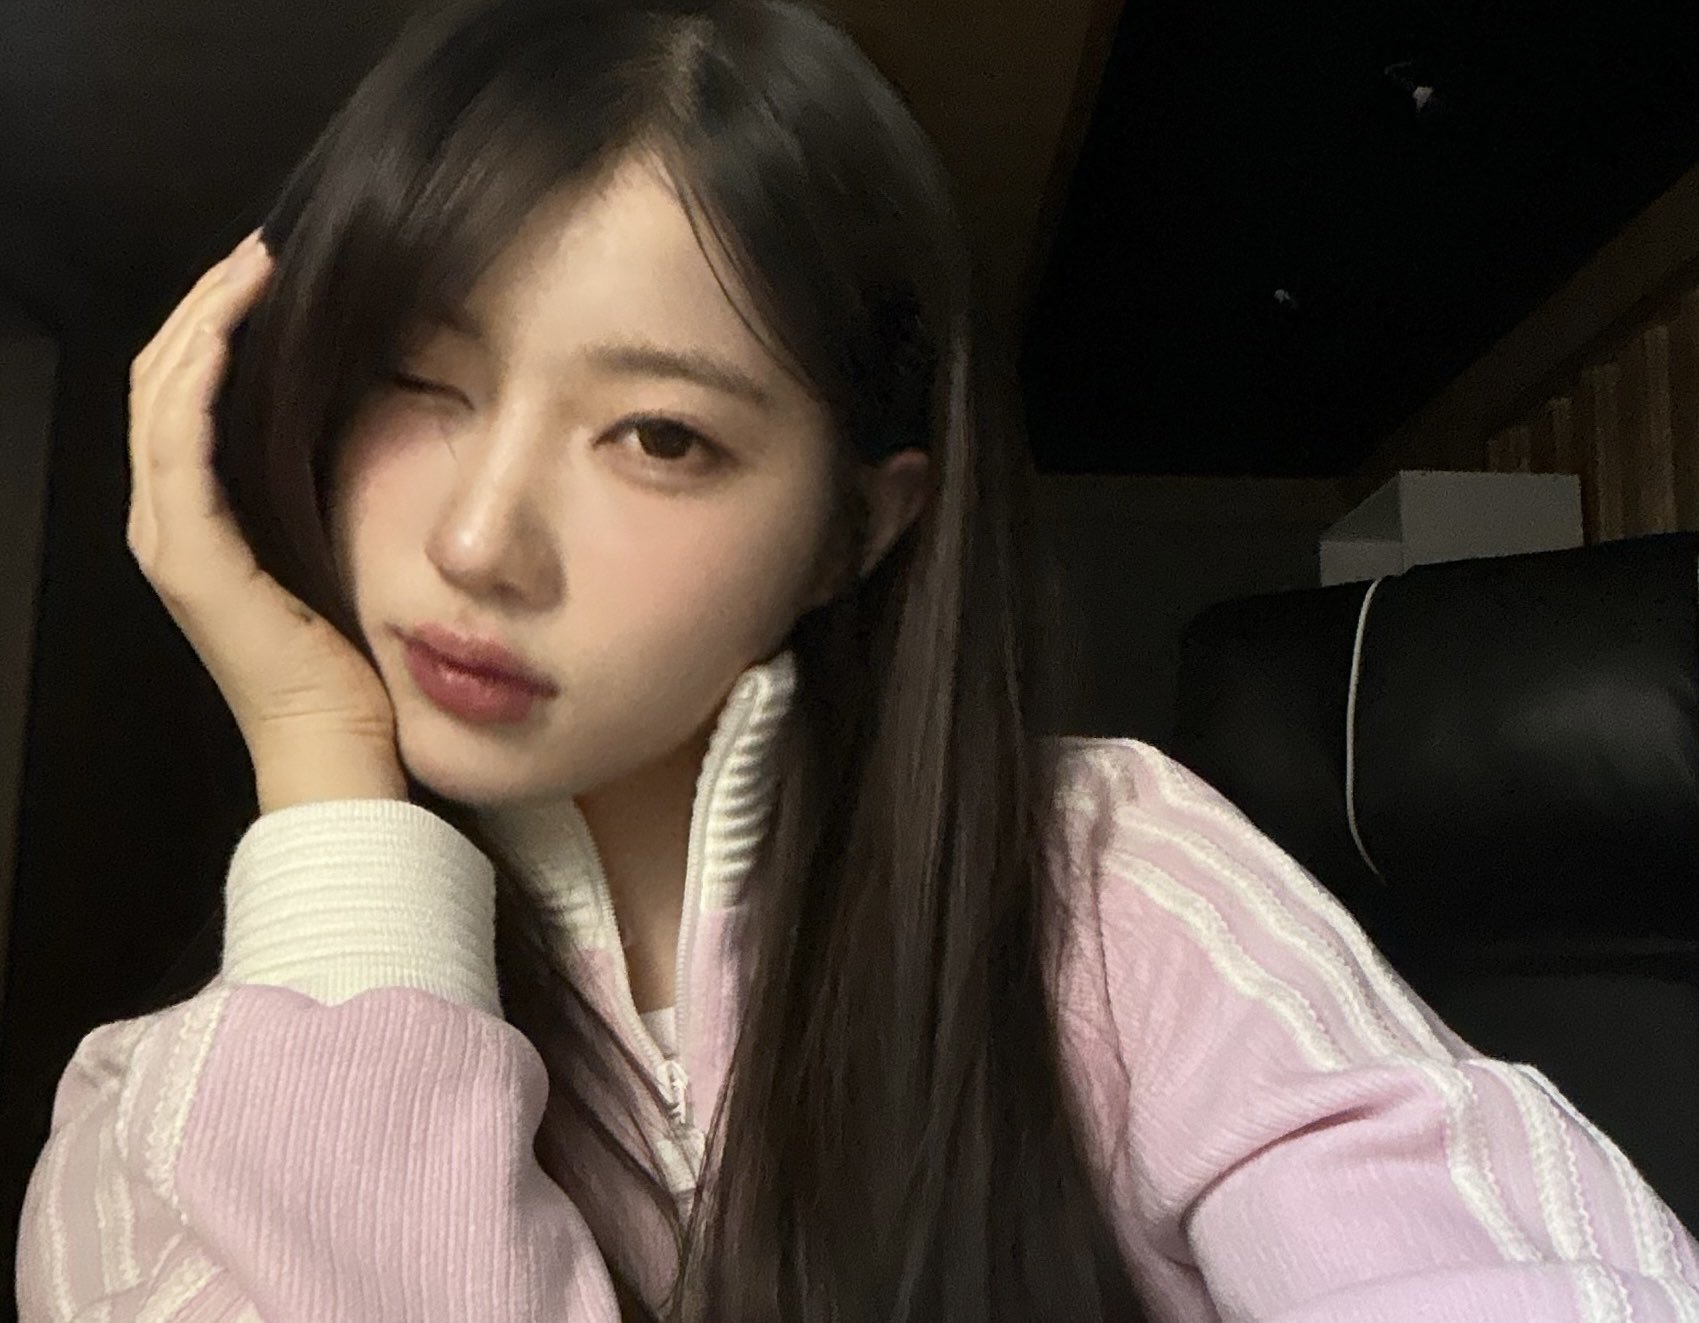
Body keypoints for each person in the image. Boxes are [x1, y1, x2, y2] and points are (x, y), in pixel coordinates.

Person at [16, 0, 1699, 1318]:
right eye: (418, 381)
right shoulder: (153, 1132)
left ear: (856, 529)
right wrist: (325, 773)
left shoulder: (1099, 879)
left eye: (660, 435)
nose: (477, 542)